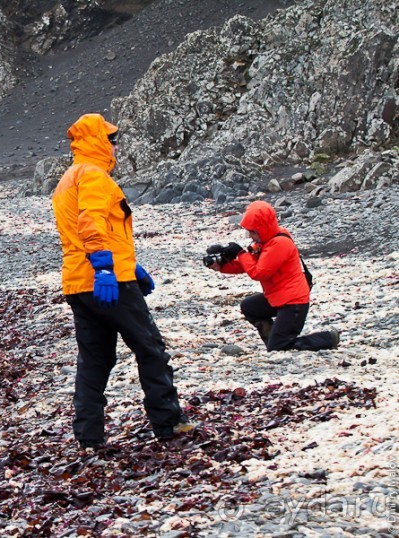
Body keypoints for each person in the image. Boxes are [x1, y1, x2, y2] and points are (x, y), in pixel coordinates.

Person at [51, 113, 192, 448]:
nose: (116, 145)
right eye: (111, 139)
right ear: (98, 141)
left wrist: (132, 266)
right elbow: (91, 222)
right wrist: (106, 268)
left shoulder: (68, 179)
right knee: (150, 348)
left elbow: (90, 231)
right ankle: (168, 422)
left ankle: (89, 436)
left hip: (77, 284)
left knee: (94, 361)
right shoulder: (94, 176)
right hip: (107, 281)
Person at [209, 200, 340, 351]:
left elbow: (259, 272)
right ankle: (273, 338)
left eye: (252, 232)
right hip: (278, 297)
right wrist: (222, 266)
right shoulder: (265, 241)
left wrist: (240, 253)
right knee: (249, 307)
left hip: (293, 302)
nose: (250, 236)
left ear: (262, 228)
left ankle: (328, 338)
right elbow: (247, 265)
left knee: (280, 347)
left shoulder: (279, 244)